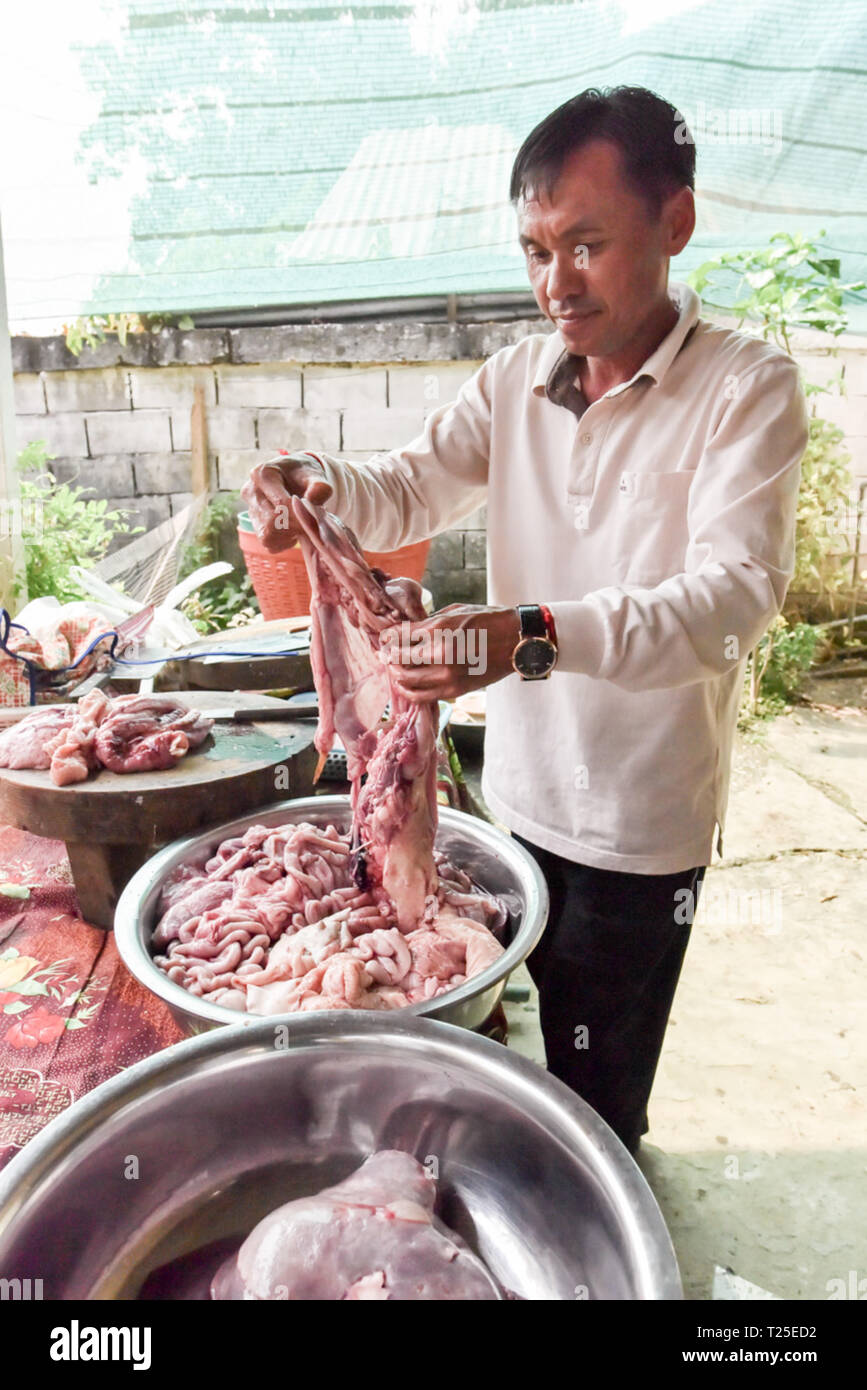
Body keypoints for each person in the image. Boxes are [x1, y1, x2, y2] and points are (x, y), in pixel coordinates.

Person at [242, 86, 809, 1155]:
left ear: (674, 224)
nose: (558, 283)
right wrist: (312, 479)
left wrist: (525, 635)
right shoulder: (516, 379)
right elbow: (406, 484)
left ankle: (605, 1229)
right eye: (537, 250)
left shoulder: (746, 389)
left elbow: (731, 601)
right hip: (515, 806)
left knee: (594, 1104)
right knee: (499, 1056)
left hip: (641, 831)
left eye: (587, 244)